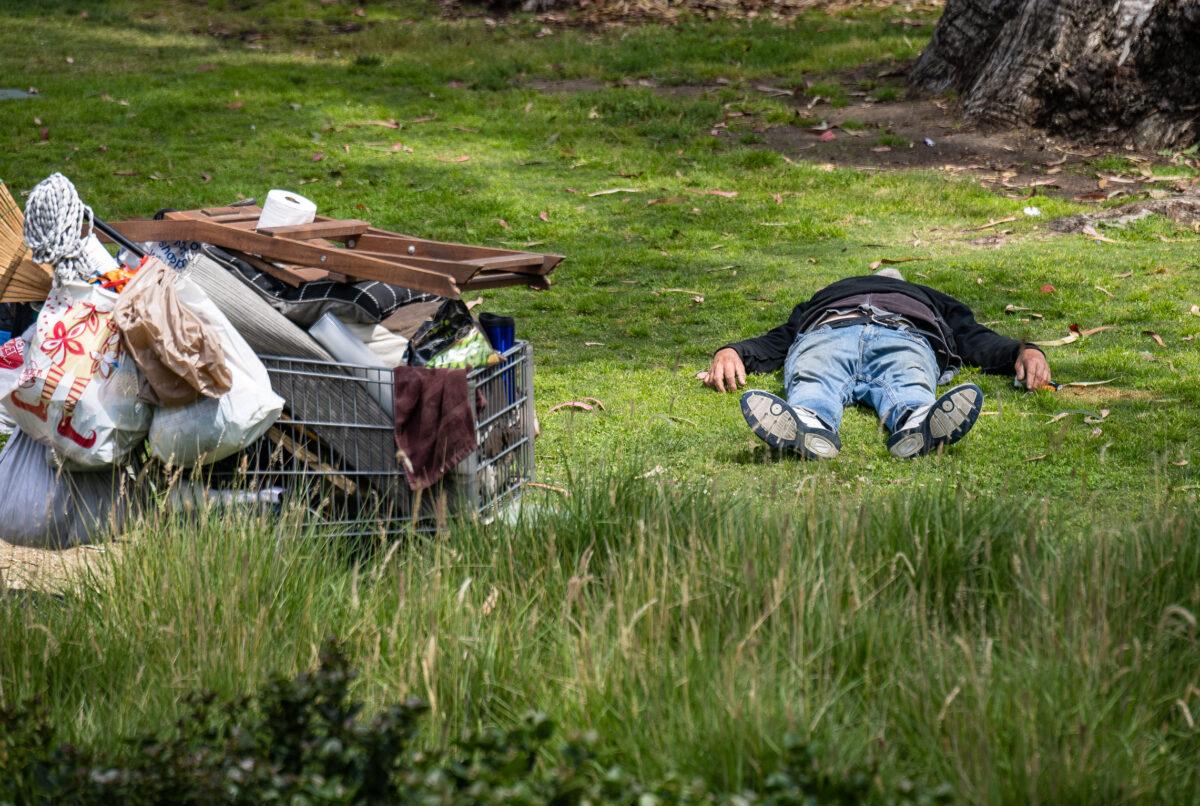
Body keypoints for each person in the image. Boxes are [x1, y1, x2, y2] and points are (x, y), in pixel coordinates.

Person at [701, 269, 1052, 459]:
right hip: (829, 333)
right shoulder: (829, 294)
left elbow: (974, 336)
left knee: (906, 379)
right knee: (816, 375)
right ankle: (809, 421)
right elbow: (780, 338)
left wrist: (1023, 351)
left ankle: (916, 419)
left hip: (902, 337)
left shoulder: (926, 296)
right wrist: (733, 351)